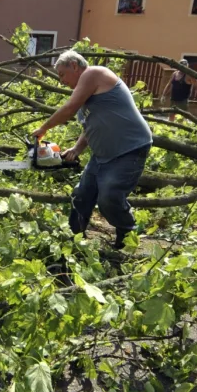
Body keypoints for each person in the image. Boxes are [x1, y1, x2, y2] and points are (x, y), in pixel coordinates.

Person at [31, 51, 153, 249]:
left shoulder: (94, 73)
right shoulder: (87, 95)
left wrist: (44, 128)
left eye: (62, 74)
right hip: (102, 154)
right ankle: (74, 238)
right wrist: (77, 149)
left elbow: (69, 108)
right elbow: (90, 125)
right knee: (81, 195)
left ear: (74, 65)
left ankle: (128, 236)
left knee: (109, 197)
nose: (61, 81)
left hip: (129, 148)